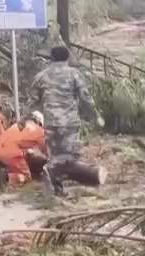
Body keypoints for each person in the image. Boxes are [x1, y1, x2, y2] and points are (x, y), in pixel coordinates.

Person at [28, 45, 102, 197]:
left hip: (50, 123)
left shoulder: (42, 75)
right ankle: (50, 173)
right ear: (67, 57)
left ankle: (57, 188)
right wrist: (95, 115)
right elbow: (85, 97)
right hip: (69, 123)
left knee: (54, 155)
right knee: (70, 157)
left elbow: (32, 100)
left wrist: (23, 118)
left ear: (52, 58)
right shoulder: (74, 74)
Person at [0, 111, 47, 189]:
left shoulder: (17, 125)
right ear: (39, 123)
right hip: (12, 153)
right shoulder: (39, 131)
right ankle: (7, 178)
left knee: (19, 159)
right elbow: (46, 150)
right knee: (27, 178)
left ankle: (11, 172)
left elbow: (18, 141)